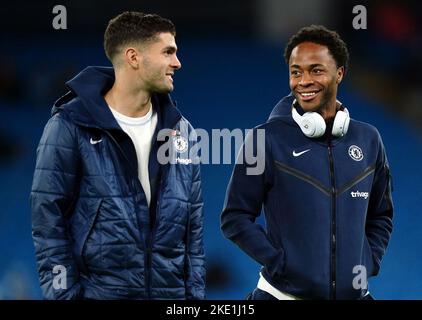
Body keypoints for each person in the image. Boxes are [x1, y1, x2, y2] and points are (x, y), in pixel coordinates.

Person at [30, 11, 205, 300]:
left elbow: (193, 230)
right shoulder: (70, 126)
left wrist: (195, 299)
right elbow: (48, 221)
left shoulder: (181, 131)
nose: (177, 62)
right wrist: (64, 297)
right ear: (134, 57)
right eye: (168, 52)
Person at [220, 25, 393, 300]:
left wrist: (369, 260)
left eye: (316, 70)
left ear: (340, 73)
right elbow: (234, 218)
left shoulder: (369, 139)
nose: (303, 81)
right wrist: (281, 264)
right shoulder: (265, 139)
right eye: (296, 72)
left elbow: (381, 214)